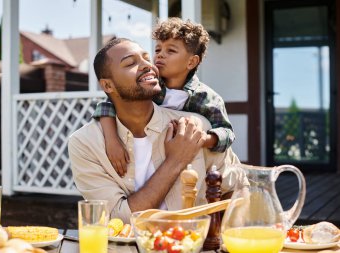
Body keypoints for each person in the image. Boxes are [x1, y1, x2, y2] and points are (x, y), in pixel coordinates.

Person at [68, 38, 245, 223]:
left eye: (146, 58)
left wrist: (217, 237)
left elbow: (237, 186)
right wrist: (176, 160)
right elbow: (117, 220)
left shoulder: (193, 127)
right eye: (130, 63)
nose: (147, 65)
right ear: (107, 85)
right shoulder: (85, 143)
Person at [93, 17, 234, 177]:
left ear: (191, 62)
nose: (160, 55)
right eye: (158, 50)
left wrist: (203, 139)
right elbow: (107, 105)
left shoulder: (206, 97)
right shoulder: (148, 85)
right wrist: (111, 140)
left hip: (187, 167)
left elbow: (226, 132)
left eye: (171, 51)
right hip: (144, 159)